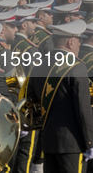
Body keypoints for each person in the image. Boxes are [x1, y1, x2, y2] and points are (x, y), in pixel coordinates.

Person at [27, 20, 93, 173]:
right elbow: (83, 110)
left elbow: (31, 106)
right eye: (78, 41)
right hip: (73, 144)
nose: (79, 45)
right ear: (70, 42)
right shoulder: (77, 67)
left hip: (48, 143)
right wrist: (90, 142)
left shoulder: (38, 67)